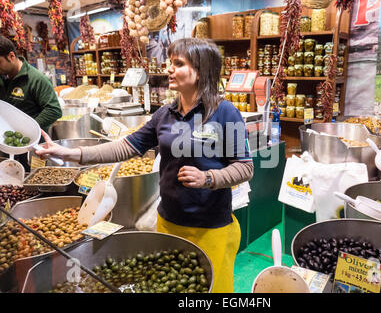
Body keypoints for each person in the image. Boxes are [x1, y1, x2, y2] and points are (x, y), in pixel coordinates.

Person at [36, 38, 254, 293]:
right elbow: (125, 147)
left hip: (211, 228)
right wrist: (69, 153)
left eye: (178, 63)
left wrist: (209, 178)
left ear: (200, 71)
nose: (169, 69)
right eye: (170, 62)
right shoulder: (164, 114)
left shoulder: (226, 113)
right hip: (169, 223)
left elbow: (245, 167)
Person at [0, 35, 62, 169]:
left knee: (32, 183)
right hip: (6, 144)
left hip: (31, 148)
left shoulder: (36, 79)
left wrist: (28, 130)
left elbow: (54, 110)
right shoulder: (2, 77)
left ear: (11, 56)